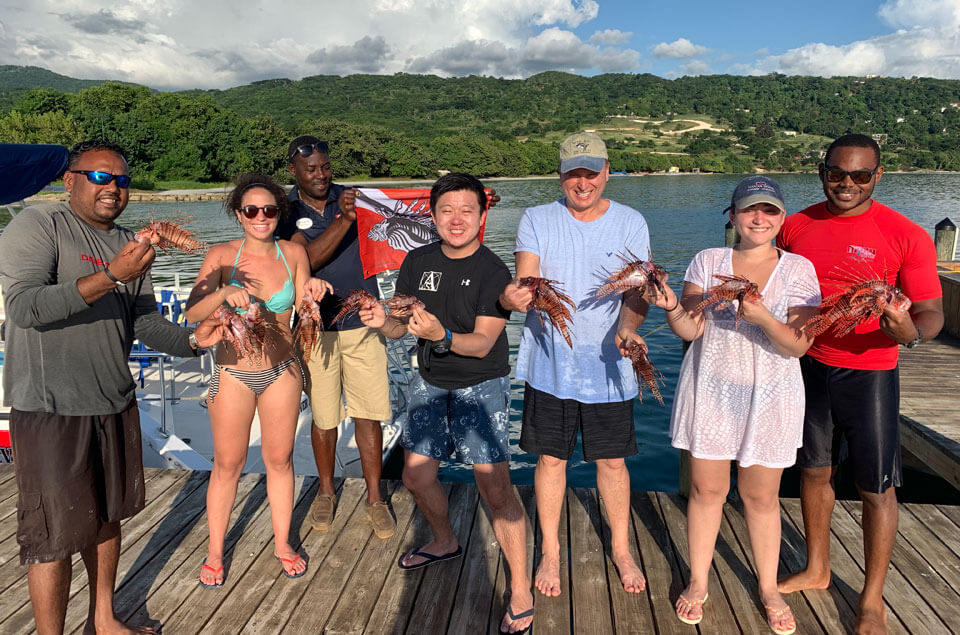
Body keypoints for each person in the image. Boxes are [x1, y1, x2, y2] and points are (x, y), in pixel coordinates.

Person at [0, 139, 223, 634]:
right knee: (53, 536)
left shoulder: (130, 242)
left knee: (107, 518)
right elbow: (25, 307)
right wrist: (111, 275)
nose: (113, 188)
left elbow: (144, 323)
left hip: (113, 400)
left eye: (121, 179)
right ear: (70, 180)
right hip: (50, 406)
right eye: (100, 177)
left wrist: (194, 340)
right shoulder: (38, 226)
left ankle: (104, 619)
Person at [776, 134, 944, 635]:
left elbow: (931, 311)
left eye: (860, 176)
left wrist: (911, 333)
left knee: (876, 486)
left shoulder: (905, 234)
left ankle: (872, 599)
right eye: (836, 173)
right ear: (821, 171)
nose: (846, 184)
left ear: (879, 175)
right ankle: (817, 565)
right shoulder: (795, 226)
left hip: (870, 371)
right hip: (808, 363)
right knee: (812, 470)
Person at [359, 173, 534, 634]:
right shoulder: (417, 261)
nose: (456, 220)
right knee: (416, 474)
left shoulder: (494, 272)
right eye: (446, 211)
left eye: (466, 211)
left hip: (482, 385)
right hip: (430, 381)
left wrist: (441, 335)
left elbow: (481, 344)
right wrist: (382, 320)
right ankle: (444, 540)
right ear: (432, 215)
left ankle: (520, 589)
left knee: (494, 489)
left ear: (480, 216)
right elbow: (401, 327)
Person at [652, 176, 820, 633]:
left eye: (769, 210)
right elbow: (691, 329)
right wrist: (670, 305)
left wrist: (764, 315)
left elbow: (798, 347)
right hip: (712, 389)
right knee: (707, 491)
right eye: (749, 210)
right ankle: (698, 580)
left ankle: (767, 588)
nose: (759, 218)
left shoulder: (800, 270)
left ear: (782, 218)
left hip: (772, 395)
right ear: (733, 216)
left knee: (761, 497)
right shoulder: (708, 262)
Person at [499, 132, 649, 597]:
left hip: (608, 364)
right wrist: (522, 295)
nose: (582, 183)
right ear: (560, 175)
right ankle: (549, 551)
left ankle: (621, 548)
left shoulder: (631, 221)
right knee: (550, 459)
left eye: (590, 172)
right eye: (572, 174)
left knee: (612, 461)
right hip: (550, 363)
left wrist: (628, 328)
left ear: (606, 171)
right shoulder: (536, 218)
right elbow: (528, 274)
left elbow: (638, 289)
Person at [184, 173, 331, 586]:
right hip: (233, 373)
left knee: (279, 460)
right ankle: (215, 551)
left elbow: (304, 302)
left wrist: (314, 288)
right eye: (251, 210)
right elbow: (193, 312)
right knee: (227, 463)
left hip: (282, 371)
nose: (261, 217)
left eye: (269, 209)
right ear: (238, 214)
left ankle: (282, 542)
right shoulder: (221, 255)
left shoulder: (294, 253)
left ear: (278, 212)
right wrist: (221, 295)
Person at [274, 136, 396, 539]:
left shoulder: (357, 197)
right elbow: (304, 261)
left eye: (325, 167)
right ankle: (326, 491)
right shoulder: (285, 212)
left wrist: (475, 204)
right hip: (316, 326)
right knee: (324, 415)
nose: (321, 175)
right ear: (293, 171)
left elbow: (413, 216)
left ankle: (375, 498)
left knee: (368, 411)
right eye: (311, 170)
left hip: (363, 321)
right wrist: (345, 221)